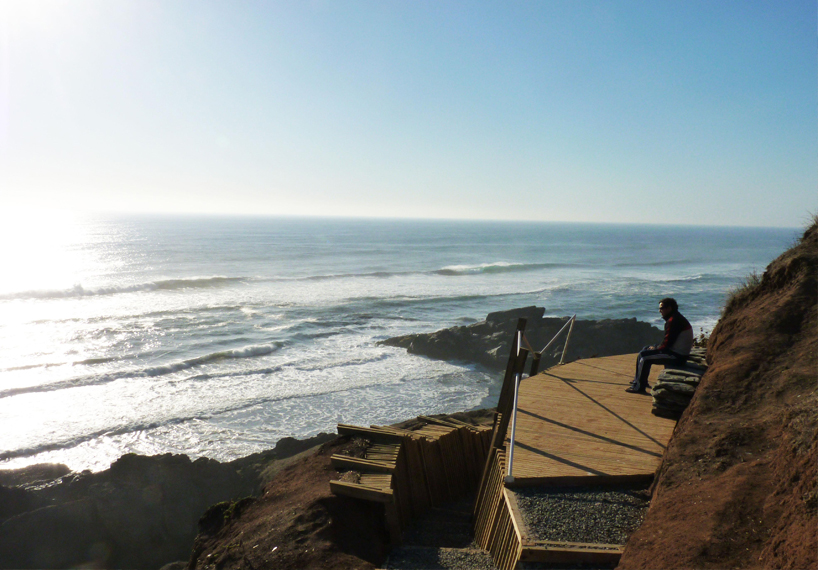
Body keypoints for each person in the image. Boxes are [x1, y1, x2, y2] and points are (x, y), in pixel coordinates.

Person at [626, 297, 693, 394]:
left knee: (644, 356)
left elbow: (667, 344)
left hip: (677, 356)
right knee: (645, 350)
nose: (659, 311)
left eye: (661, 308)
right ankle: (638, 380)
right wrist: (656, 347)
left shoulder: (673, 320)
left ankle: (639, 387)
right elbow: (669, 341)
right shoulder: (675, 317)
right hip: (676, 352)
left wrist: (657, 348)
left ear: (669, 308)